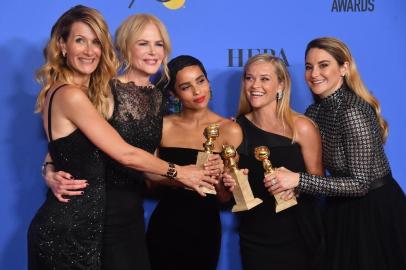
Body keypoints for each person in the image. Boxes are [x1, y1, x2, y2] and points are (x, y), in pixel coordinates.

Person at [28, 6, 215, 270]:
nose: (152, 51)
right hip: (98, 215)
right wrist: (49, 169)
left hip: (131, 215)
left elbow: (148, 163)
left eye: (158, 44)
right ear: (126, 47)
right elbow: (68, 146)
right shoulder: (101, 89)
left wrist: (199, 173)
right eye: (143, 43)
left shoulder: (161, 97)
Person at [271, 37, 406, 270]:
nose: (314, 74)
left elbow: (360, 184)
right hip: (340, 208)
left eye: (323, 65)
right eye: (308, 66)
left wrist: (298, 180)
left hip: (374, 211)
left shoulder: (353, 111)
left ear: (344, 68)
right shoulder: (315, 110)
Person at [223, 54, 325, 270]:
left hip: (300, 232)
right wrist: (228, 184)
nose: (255, 85)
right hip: (256, 237)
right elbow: (224, 195)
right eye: (249, 78)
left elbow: (319, 182)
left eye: (264, 79)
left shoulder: (303, 127)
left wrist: (296, 185)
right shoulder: (235, 129)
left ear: (281, 85)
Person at [145, 55, 242, 270]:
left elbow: (225, 197)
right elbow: (149, 181)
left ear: (208, 81)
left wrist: (219, 177)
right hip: (165, 225)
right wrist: (182, 177)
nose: (197, 92)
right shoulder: (163, 127)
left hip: (204, 228)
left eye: (200, 81)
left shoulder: (229, 129)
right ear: (174, 93)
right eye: (186, 86)